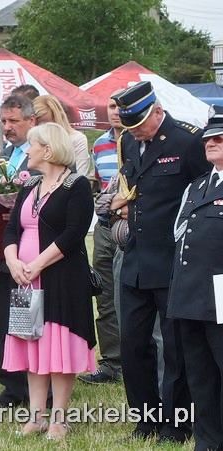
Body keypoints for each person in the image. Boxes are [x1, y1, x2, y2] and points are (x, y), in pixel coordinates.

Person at [113, 81, 209, 442]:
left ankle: (177, 423)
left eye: (139, 124)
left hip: (172, 263)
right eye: (130, 126)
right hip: (136, 260)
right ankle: (146, 418)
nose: (135, 132)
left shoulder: (187, 141)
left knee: (176, 349)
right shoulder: (128, 141)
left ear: (156, 111)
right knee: (132, 345)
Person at [1, 122, 96, 441]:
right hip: (26, 280)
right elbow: (12, 229)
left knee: (59, 348)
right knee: (32, 346)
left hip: (61, 279)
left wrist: (37, 264)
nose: (26, 150)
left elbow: (73, 233)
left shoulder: (77, 185)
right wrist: (14, 261)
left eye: (32, 144)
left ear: (48, 149)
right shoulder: (30, 187)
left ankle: (59, 419)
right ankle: (36, 417)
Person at [168, 105, 223, 451]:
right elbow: (179, 234)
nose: (211, 143)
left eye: (220, 138)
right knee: (200, 375)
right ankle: (207, 440)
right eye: (208, 139)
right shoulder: (197, 186)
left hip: (221, 293)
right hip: (190, 294)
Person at [0, 94, 38, 408]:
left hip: (29, 250)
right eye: (3, 121)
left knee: (27, 316)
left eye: (14, 121)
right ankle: (11, 384)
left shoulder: (43, 154)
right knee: (2, 319)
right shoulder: (1, 154)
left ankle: (34, 384)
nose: (8, 127)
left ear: (32, 120)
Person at [79, 92, 125, 385]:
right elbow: (101, 182)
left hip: (131, 227)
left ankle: (138, 358)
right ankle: (111, 363)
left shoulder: (139, 141)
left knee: (131, 298)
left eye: (121, 106)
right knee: (104, 296)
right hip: (105, 226)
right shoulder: (100, 144)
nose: (116, 111)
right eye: (111, 106)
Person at [33, 95, 94, 185]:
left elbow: (81, 176)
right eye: (39, 124)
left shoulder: (76, 139)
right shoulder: (33, 140)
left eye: (49, 123)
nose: (45, 128)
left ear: (58, 118)